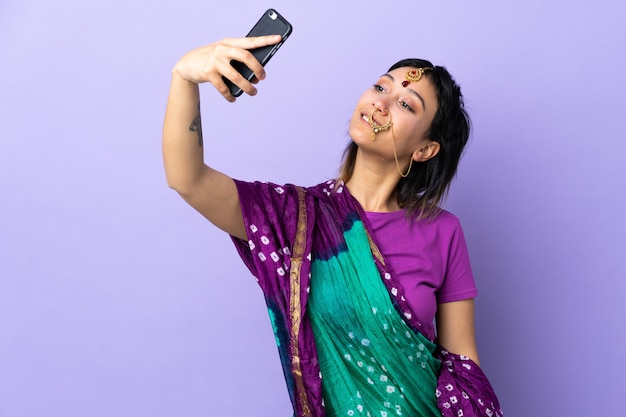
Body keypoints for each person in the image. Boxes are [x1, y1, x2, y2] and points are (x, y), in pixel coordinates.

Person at [163, 35, 502, 417]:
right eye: (380, 86)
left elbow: (464, 369)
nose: (381, 101)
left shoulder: (443, 231)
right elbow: (187, 179)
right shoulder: (294, 220)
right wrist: (184, 77)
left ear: (425, 150)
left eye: (405, 104)